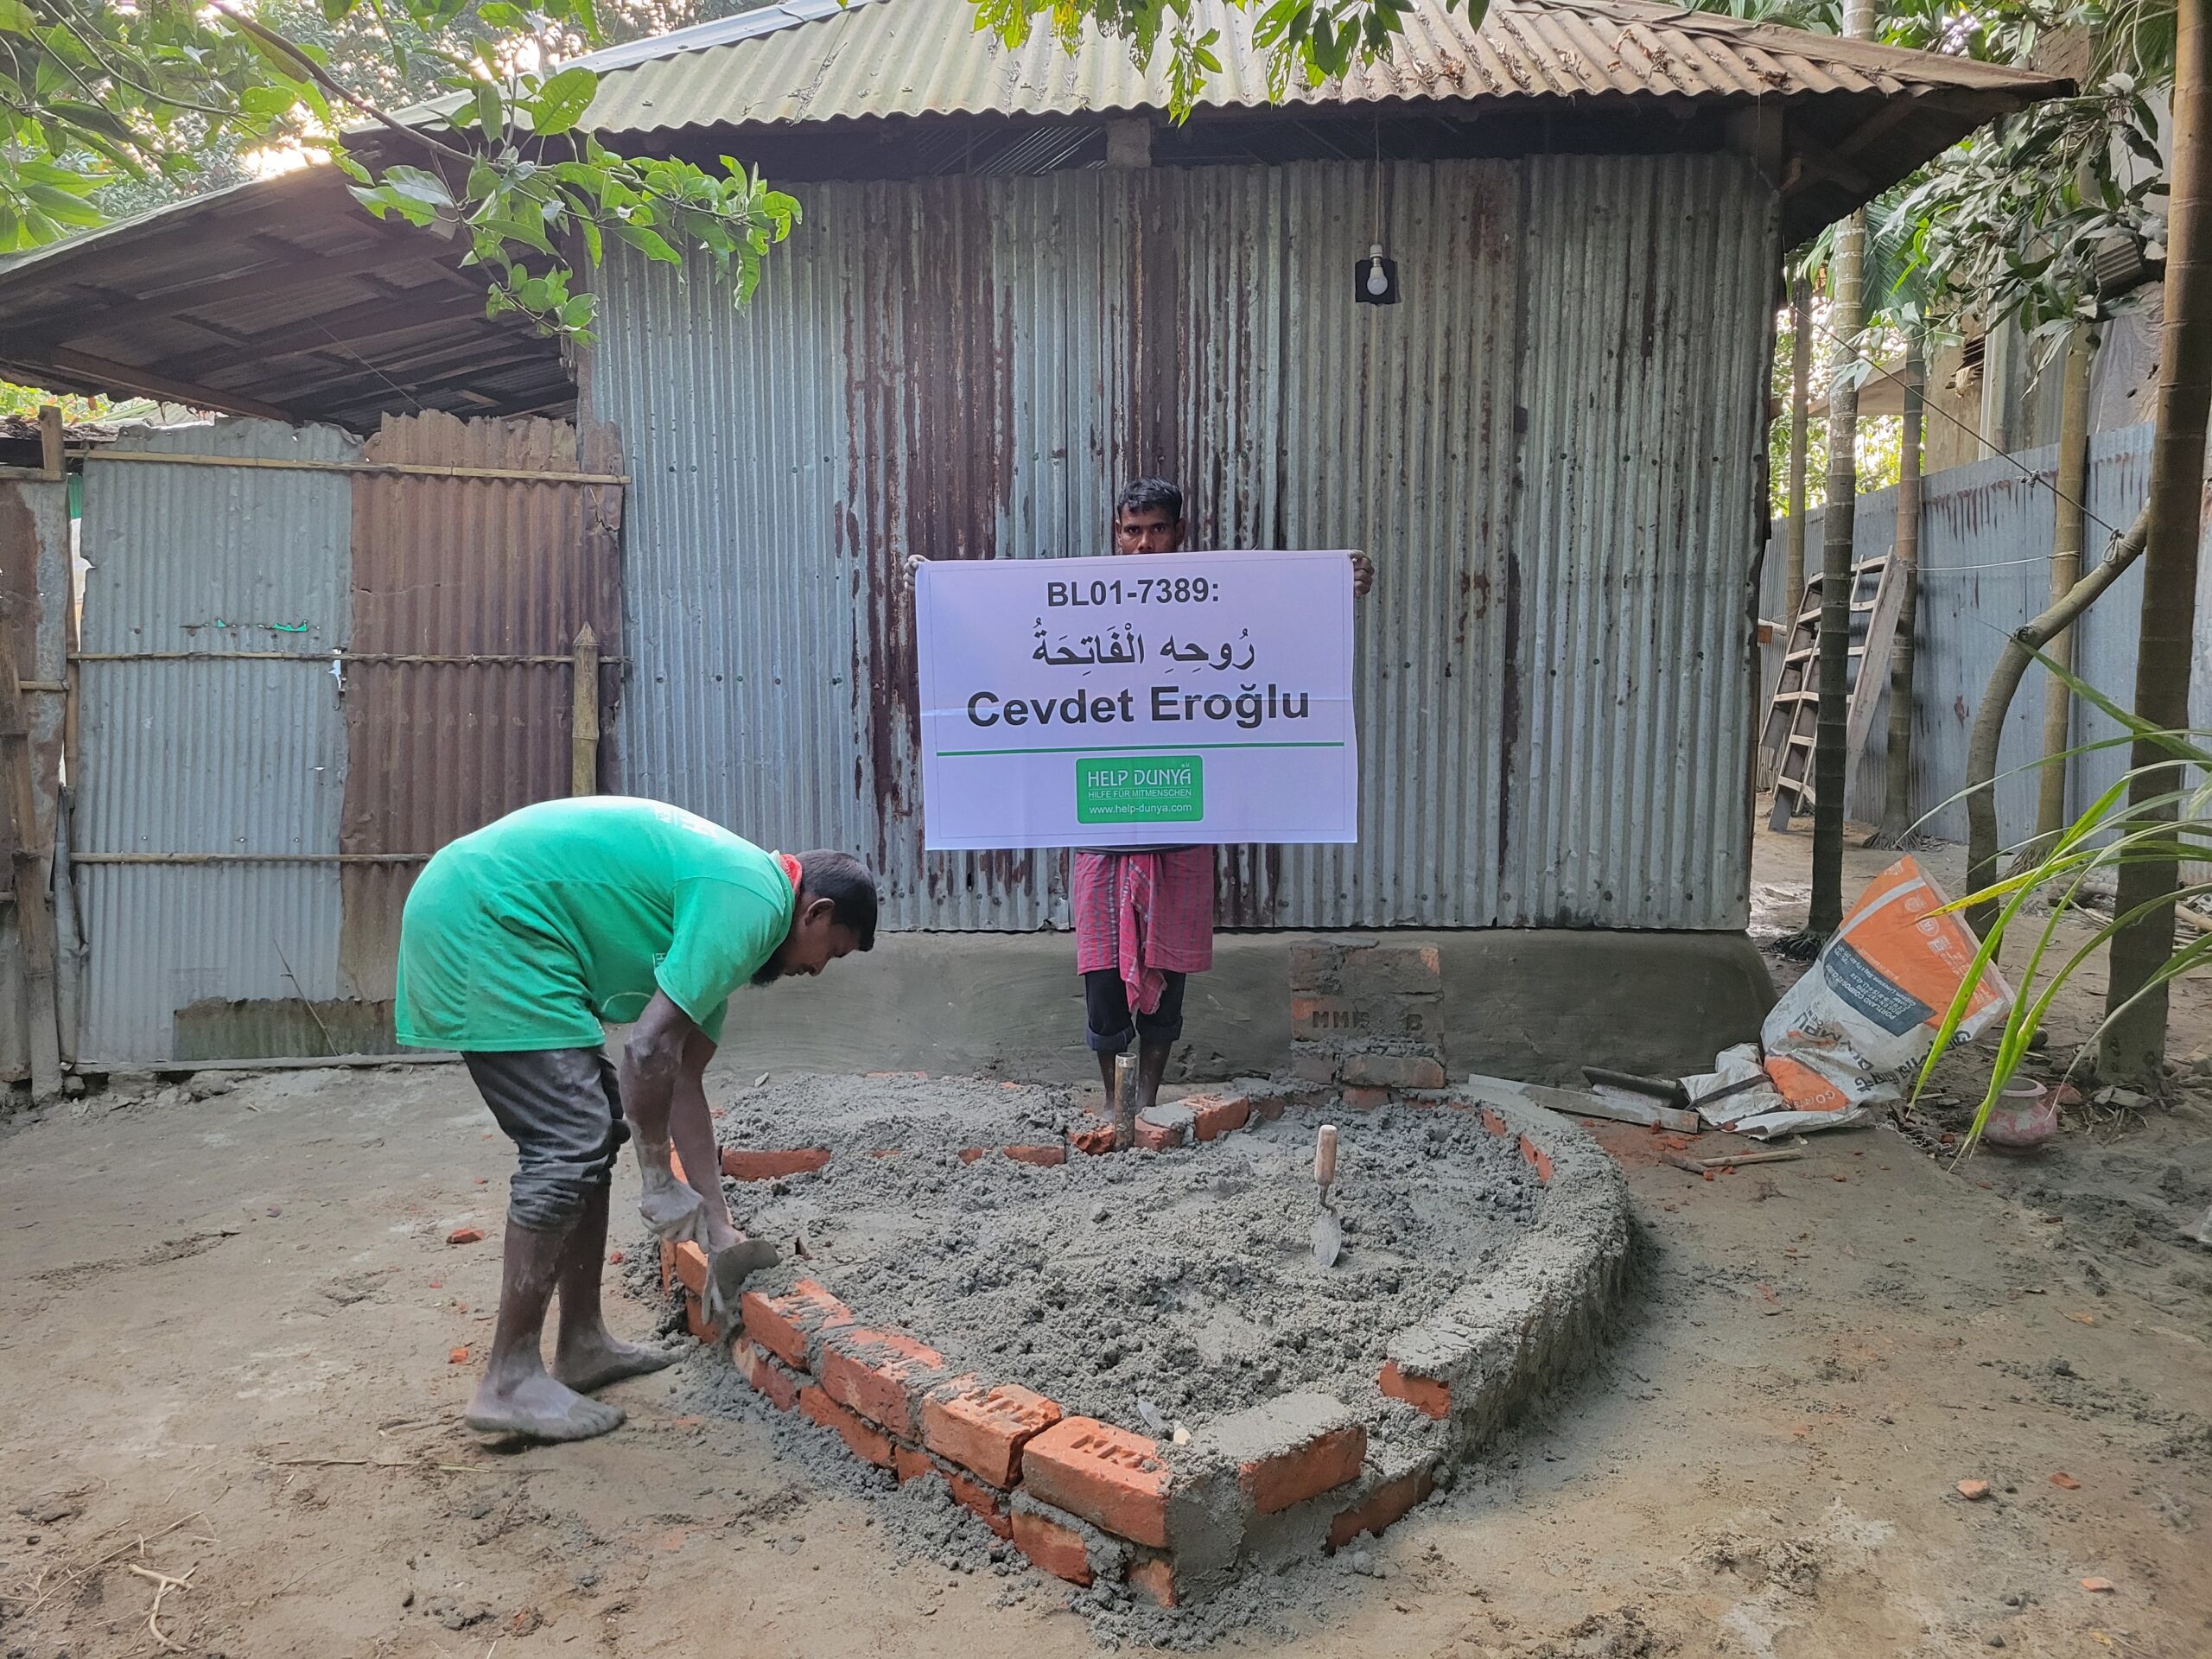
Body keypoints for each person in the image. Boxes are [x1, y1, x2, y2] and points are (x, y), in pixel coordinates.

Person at [396, 796, 878, 1442]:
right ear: (815, 912)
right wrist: (656, 1178)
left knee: (595, 1128)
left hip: (509, 921)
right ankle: (508, 1380)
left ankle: (583, 1344)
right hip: (487, 917)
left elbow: (681, 1080)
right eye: (832, 952)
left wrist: (718, 1225)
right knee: (570, 1136)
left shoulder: (735, 910)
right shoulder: (754, 902)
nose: (815, 970)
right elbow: (646, 1049)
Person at [1077, 479, 1372, 1122]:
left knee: (1169, 965)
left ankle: (1149, 1103)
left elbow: (1274, 634)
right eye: (1132, 531)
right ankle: (1114, 1103)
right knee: (1101, 972)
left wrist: (1333, 590)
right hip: (1101, 816)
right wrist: (933, 594)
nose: (1144, 544)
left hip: (1181, 809)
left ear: (1179, 533)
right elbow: (1011, 643)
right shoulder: (1083, 604)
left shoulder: (1214, 603)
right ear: (1116, 535)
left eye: (1157, 529)